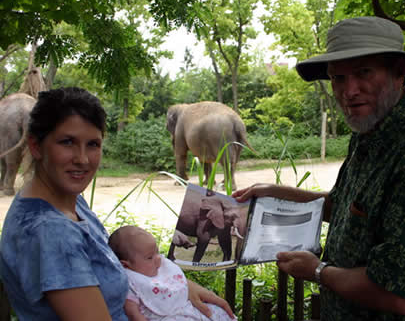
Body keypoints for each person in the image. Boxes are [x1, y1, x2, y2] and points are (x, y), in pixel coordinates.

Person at [232, 16, 405, 320]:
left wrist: (318, 271)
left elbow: (401, 295)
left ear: (398, 73)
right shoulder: (370, 134)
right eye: (338, 78)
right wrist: (273, 193)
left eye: (363, 73)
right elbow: (345, 208)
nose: (349, 91)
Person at [0, 87, 234, 321]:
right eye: (67, 142)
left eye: (93, 144)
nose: (82, 159)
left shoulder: (69, 202)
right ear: (35, 146)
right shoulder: (50, 232)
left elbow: (112, 264)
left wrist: (175, 287)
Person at [108, 225, 237, 321]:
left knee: (219, 312)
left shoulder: (160, 267)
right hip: (165, 317)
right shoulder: (131, 281)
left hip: (187, 308)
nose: (158, 258)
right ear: (126, 264)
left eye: (157, 252)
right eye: (149, 257)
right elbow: (133, 314)